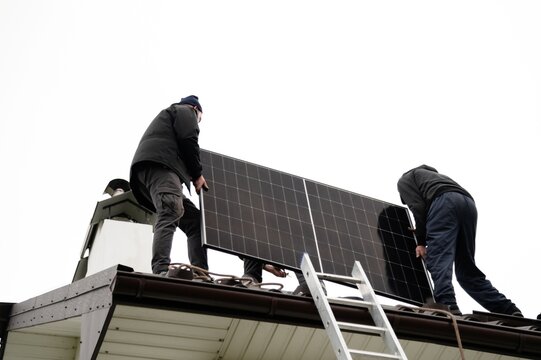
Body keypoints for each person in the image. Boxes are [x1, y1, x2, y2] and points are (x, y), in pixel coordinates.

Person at [397, 165, 522, 316]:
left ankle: (447, 304)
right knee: (466, 271)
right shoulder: (436, 177)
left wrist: (421, 241)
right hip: (468, 204)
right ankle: (508, 310)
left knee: (439, 258)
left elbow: (418, 207)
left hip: (443, 202)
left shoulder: (404, 180)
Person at [129, 95, 209, 276]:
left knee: (195, 222)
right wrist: (197, 174)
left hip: (150, 173)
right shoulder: (185, 111)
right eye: (200, 119)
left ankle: (202, 273)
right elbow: (189, 138)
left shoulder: (171, 115)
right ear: (196, 110)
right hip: (162, 167)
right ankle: (161, 269)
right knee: (171, 210)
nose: (198, 123)